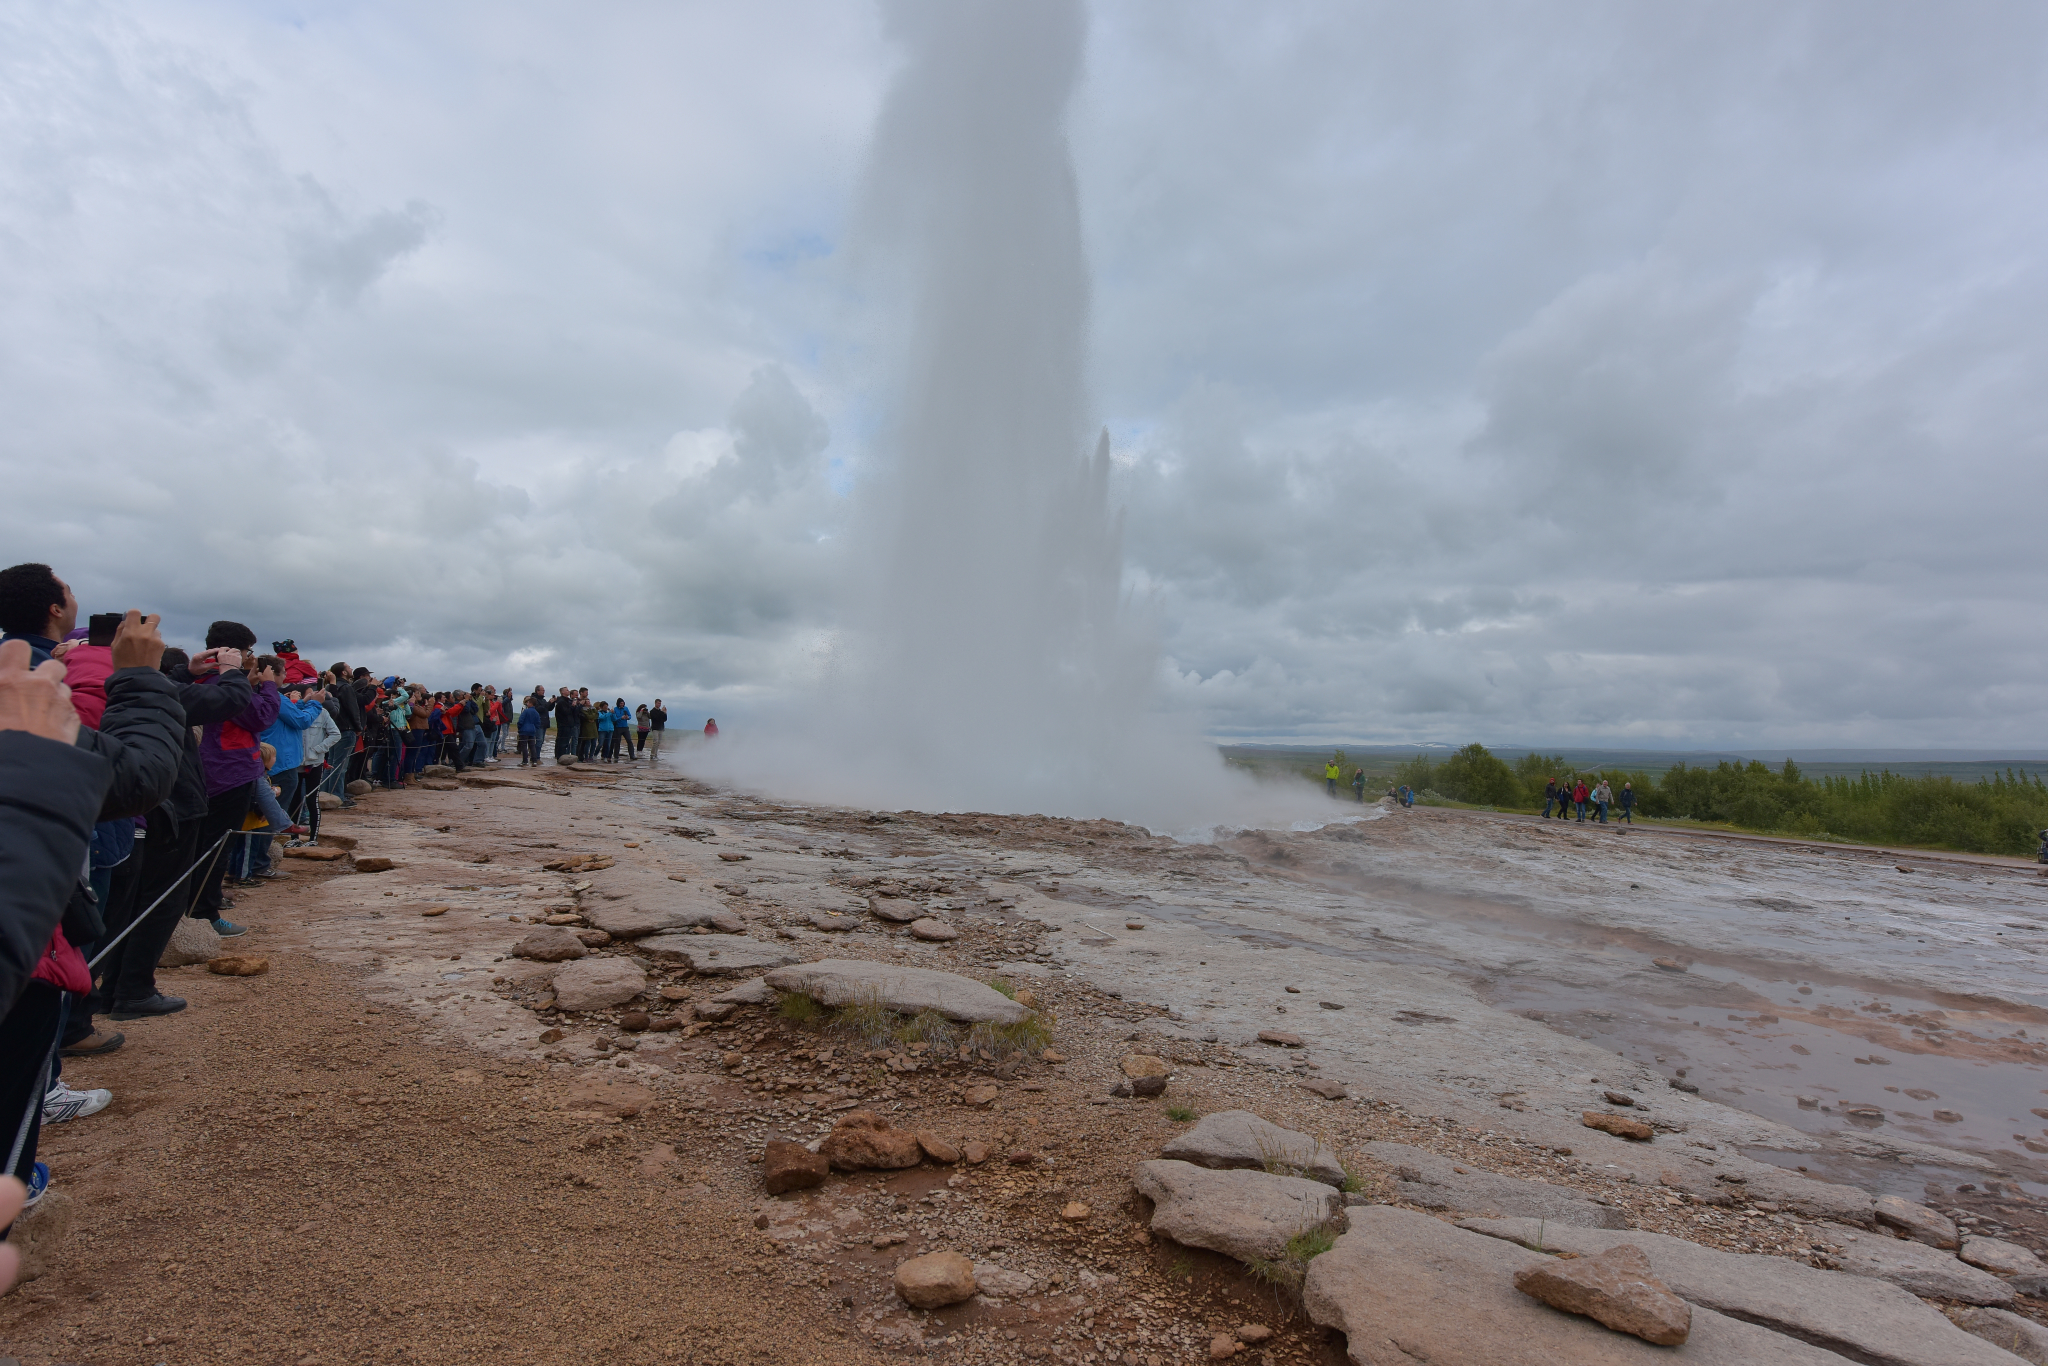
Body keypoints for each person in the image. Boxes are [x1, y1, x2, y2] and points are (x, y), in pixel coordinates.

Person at [186, 624, 280, 935]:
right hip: (229, 772)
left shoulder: (200, 678)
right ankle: (204, 913)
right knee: (217, 845)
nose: (252, 659)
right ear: (236, 653)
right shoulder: (222, 684)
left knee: (205, 844)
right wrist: (267, 686)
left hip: (213, 769)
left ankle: (197, 907)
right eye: (249, 653)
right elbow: (260, 717)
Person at [552, 687, 579, 762]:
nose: (568, 691)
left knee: (566, 742)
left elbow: (573, 712)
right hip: (564, 724)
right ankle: (560, 757)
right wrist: (572, 706)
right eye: (567, 690)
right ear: (563, 692)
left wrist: (574, 706)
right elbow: (566, 712)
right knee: (562, 742)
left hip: (569, 724)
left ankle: (562, 756)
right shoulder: (561, 701)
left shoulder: (567, 701)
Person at [517, 695, 545, 766]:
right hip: (532, 731)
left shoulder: (526, 711)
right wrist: (534, 729)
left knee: (524, 746)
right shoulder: (536, 713)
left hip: (524, 731)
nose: (527, 704)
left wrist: (520, 728)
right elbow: (538, 722)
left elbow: (520, 721)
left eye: (528, 702)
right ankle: (534, 761)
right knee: (532, 746)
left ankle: (525, 761)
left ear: (531, 703)